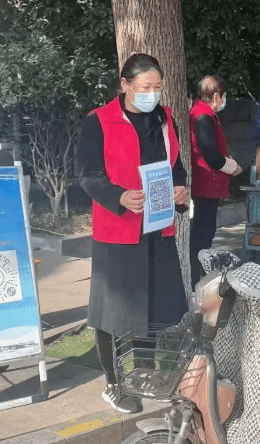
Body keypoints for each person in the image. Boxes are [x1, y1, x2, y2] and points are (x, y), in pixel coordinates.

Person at [76, 53, 188, 414]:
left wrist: (182, 192)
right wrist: (119, 197)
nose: (152, 94)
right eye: (144, 87)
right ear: (125, 85)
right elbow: (88, 175)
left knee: (153, 305)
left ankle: (144, 372)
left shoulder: (165, 118)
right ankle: (113, 383)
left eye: (157, 87)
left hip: (158, 226)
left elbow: (177, 167)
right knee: (112, 311)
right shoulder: (100, 121)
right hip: (119, 230)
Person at [189, 75, 242, 285]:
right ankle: (195, 278)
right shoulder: (203, 116)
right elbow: (210, 154)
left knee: (203, 232)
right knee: (203, 233)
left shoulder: (202, 113)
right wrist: (232, 167)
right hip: (205, 183)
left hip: (205, 183)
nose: (224, 100)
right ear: (217, 96)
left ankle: (196, 275)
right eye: (224, 96)